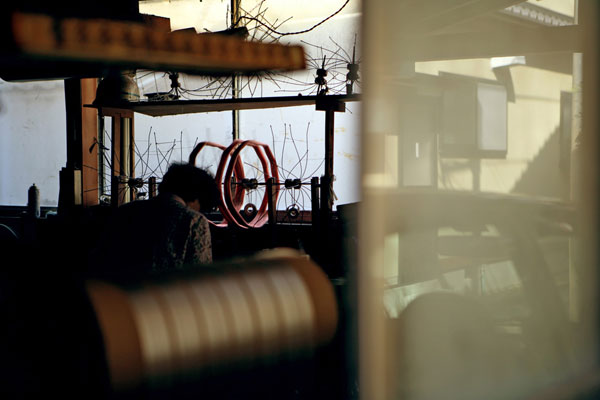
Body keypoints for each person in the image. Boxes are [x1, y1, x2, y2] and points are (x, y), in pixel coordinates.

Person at [89, 163, 219, 283]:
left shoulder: (124, 211)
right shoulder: (193, 220)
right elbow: (200, 278)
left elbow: (100, 261)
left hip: (113, 293)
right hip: (161, 296)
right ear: (196, 197)